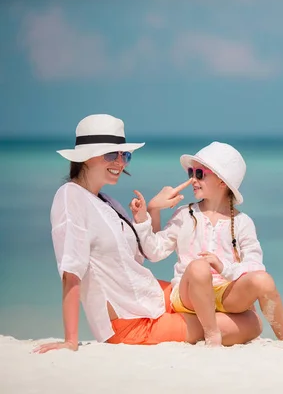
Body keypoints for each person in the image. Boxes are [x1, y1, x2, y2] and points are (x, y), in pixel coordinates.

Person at [34, 114, 262, 354]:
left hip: (148, 293)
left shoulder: (108, 202)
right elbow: (71, 270)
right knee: (249, 324)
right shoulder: (70, 197)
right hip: (129, 322)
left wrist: (153, 209)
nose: (121, 163)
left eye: (125, 155)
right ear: (87, 158)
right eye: (112, 154)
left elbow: (144, 254)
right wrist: (71, 340)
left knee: (240, 308)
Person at [130, 141, 283, 346]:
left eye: (200, 174)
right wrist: (151, 211)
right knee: (199, 267)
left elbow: (254, 265)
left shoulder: (242, 222)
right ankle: (213, 335)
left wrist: (224, 268)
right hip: (188, 295)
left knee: (263, 280)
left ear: (222, 182)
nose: (193, 179)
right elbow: (155, 252)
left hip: (224, 294)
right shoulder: (185, 214)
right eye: (191, 173)